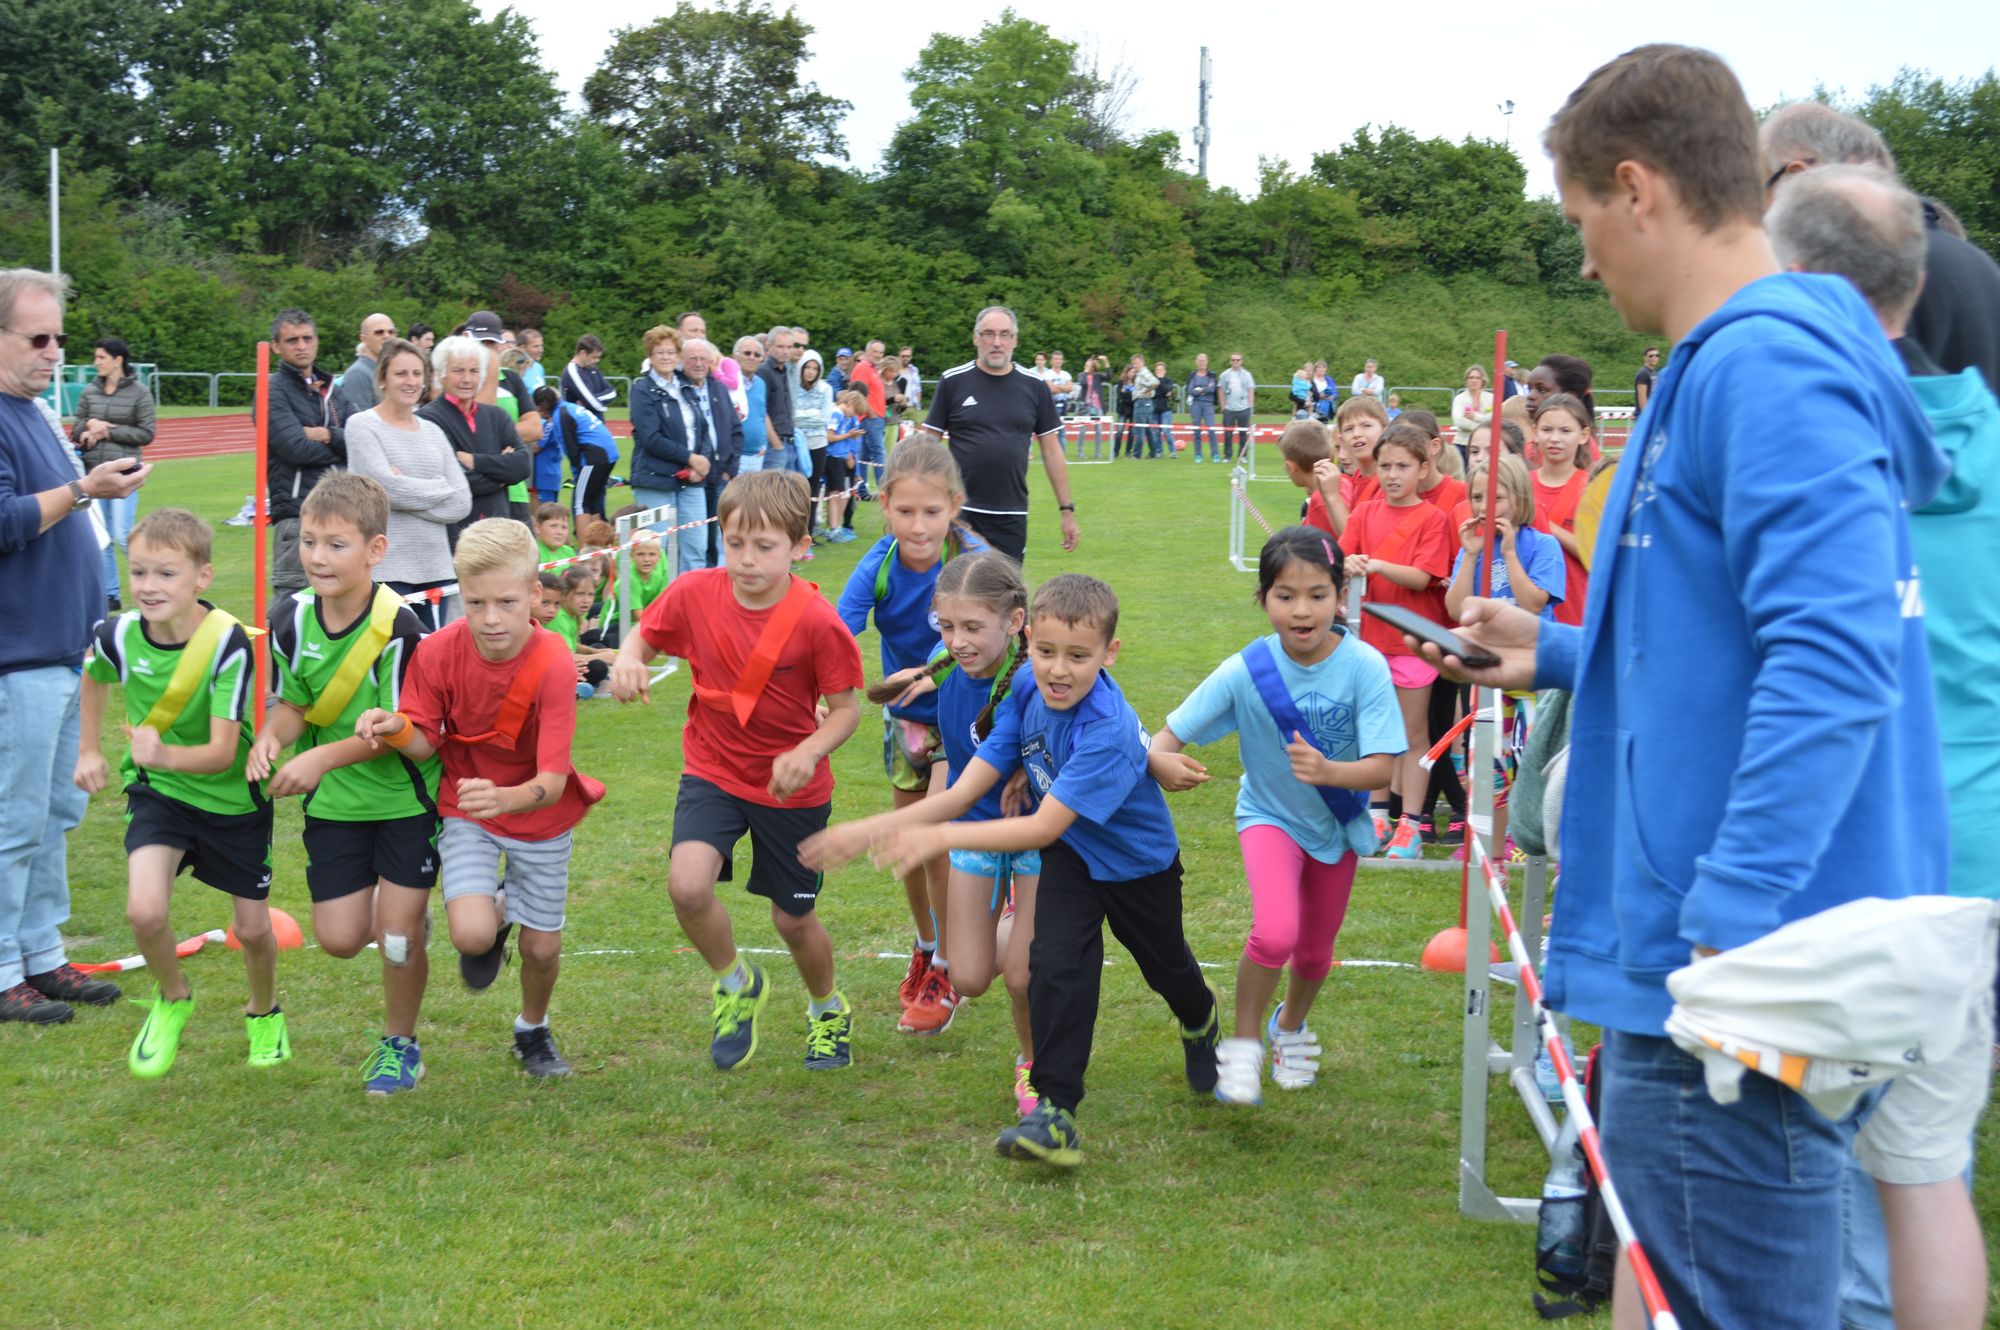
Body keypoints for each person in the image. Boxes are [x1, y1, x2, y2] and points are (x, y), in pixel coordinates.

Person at [1421, 47, 1948, 1330]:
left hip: (1726, 974)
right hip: (1708, 961)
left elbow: (1836, 655)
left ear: (1635, 187)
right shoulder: (1727, 362)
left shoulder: (1766, 365)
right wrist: (1556, 650)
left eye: (1578, 221)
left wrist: (1727, 920)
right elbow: (1724, 639)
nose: (1583, 261)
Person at [1765, 159, 1996, 1330]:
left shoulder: (1820, 448)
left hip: (1855, 851)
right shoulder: (1986, 443)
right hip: (1972, 862)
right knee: (1926, 1175)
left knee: (1831, 1196)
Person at [802, 574, 1221, 1169]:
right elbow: (968, 786)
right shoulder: (1025, 687)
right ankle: (1055, 1110)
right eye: (1047, 652)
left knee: (1166, 967)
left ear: (1109, 654)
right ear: (1030, 644)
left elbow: (1040, 826)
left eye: (1077, 657)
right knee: (1054, 968)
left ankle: (1199, 1017)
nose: (1058, 670)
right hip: (1071, 859)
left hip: (1135, 869)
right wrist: (872, 829)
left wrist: (940, 835)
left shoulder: (1103, 727)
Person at [609, 471, 865, 1073]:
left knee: (792, 920)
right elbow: (645, 635)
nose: (747, 559)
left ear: (800, 546)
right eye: (735, 543)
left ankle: (827, 1008)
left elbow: (847, 711)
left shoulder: (817, 621)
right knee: (687, 886)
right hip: (713, 767)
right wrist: (627, 657)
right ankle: (735, 983)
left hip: (790, 789)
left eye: (765, 546)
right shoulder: (694, 592)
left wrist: (809, 751)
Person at [1150, 527, 1403, 1104]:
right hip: (1269, 817)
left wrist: (1329, 771)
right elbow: (1165, 736)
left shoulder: (1365, 667)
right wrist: (1159, 763)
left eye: (1317, 594)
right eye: (1285, 595)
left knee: (1314, 952)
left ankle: (1288, 1026)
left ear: (1341, 596)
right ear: (1263, 598)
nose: (1302, 610)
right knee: (1275, 933)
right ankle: (1242, 1047)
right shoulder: (1246, 670)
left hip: (1337, 825)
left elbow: (1383, 769)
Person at [356, 518, 605, 1079]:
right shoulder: (438, 652)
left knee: (541, 950)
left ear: (535, 594)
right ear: (460, 595)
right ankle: (498, 912)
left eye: (506, 602)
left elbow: (553, 782)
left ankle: (532, 1030)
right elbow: (423, 742)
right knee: (471, 937)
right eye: (475, 603)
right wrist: (395, 726)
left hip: (540, 817)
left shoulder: (553, 661)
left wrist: (507, 798)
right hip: (467, 809)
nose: (491, 618)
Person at [247, 475, 440, 1094]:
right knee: (338, 939)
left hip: (404, 801)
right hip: (335, 806)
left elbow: (395, 729)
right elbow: (295, 703)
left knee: (396, 940)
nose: (318, 557)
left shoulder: (400, 627)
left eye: (336, 545)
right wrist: (272, 738)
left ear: (375, 550)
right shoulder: (289, 618)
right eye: (309, 542)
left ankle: (399, 1045)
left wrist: (321, 760)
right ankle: (406, 915)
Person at [76, 509, 282, 1076]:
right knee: (144, 912)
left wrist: (161, 752)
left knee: (253, 930)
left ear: (202, 577)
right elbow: (93, 676)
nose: (149, 586)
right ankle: (172, 997)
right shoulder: (117, 633)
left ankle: (264, 1009)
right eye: (138, 572)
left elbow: (220, 751)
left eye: (166, 574)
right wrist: (88, 749)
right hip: (161, 795)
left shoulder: (226, 643)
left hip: (232, 800)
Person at [0, 269, 147, 1024]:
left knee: (54, 814)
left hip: (64, 651)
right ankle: (3, 967)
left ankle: (40, 953)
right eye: (37, 337)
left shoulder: (32, 413)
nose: (55, 351)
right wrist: (86, 489)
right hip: (18, 655)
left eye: (58, 336)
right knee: (13, 817)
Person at [862, 552, 1043, 1112]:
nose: (958, 641)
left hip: (1033, 835)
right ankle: (1013, 918)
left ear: (1014, 621)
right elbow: (941, 686)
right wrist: (915, 677)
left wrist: (880, 828)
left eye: (972, 627)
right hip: (972, 832)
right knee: (969, 976)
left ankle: (1033, 1064)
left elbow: (1099, 720)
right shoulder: (949, 663)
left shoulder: (1033, 678)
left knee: (1022, 977)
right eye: (946, 626)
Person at [834, 440, 984, 1035]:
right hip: (906, 722)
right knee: (909, 846)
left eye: (931, 512)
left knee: (932, 838)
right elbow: (835, 634)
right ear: (885, 507)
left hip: (965, 716)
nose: (918, 526)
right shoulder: (878, 567)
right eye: (905, 512)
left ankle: (947, 967)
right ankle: (925, 943)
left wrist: (931, 670)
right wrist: (823, 689)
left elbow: (1004, 632)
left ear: (955, 507)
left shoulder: (974, 561)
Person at [1761, 100, 2000, 394]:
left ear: (1796, 175)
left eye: (1762, 186)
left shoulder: (1857, 270)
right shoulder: (1978, 263)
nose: (1760, 212)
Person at [1339, 428, 1454, 861]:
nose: (1392, 475)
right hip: (1368, 642)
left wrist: (1376, 564)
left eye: (1402, 466)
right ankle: (1377, 814)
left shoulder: (1432, 518)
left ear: (1423, 468)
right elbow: (1339, 559)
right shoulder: (1364, 512)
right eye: (1385, 465)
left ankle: (1411, 824)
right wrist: (1349, 563)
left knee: (1413, 733)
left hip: (1413, 643)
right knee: (1373, 731)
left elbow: (1423, 577)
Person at [917, 308, 1075, 563]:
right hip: (959, 510)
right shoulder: (953, 381)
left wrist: (1067, 510)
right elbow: (928, 445)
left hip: (1011, 513)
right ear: (975, 338)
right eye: (989, 334)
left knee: (1006, 586)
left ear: (1015, 340)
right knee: (955, 585)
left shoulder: (1034, 386)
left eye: (1005, 334)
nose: (997, 342)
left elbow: (1052, 451)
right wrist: (918, 505)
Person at [342, 338, 471, 630]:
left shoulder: (434, 431)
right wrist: (439, 486)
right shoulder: (362, 425)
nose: (410, 381)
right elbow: (383, 490)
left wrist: (402, 486)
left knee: (431, 653)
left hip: (436, 568)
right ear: (383, 378)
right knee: (388, 653)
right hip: (386, 568)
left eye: (416, 373)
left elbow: (462, 502)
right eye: (401, 373)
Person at [264, 308, 350, 598]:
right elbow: (295, 448)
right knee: (293, 604)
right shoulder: (272, 390)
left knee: (340, 602)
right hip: (299, 514)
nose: (301, 346)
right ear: (276, 346)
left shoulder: (331, 389)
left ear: (316, 341)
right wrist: (342, 446)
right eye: (292, 340)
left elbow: (360, 437)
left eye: (307, 338)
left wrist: (327, 435)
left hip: (343, 511)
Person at [71, 336, 156, 612]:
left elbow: (146, 433)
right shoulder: (89, 392)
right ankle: (111, 594)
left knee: (122, 535)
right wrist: (89, 428)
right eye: (96, 357)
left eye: (101, 358)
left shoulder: (140, 393)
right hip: (94, 474)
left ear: (118, 360)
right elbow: (75, 428)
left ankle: (152, 582)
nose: (96, 362)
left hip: (124, 473)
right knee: (102, 538)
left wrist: (108, 430)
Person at [419, 336, 528, 537]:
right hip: (455, 535)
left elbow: (522, 466)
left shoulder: (497, 416)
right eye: (458, 370)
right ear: (441, 375)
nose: (467, 379)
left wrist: (474, 461)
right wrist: (503, 475)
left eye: (474, 371)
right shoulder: (427, 420)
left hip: (498, 532)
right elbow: (453, 482)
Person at [627, 328, 712, 576]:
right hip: (655, 479)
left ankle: (689, 598)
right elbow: (650, 438)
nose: (665, 357)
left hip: (692, 481)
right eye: (659, 352)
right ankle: (657, 599)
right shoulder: (642, 389)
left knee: (696, 547)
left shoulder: (687, 386)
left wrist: (701, 463)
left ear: (678, 355)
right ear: (650, 356)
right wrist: (690, 458)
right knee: (655, 549)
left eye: (670, 352)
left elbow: (703, 428)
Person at [1446, 454, 1564, 622]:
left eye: (1497, 498)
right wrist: (1470, 556)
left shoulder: (1543, 545)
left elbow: (1532, 606)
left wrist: (1509, 553)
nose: (1484, 507)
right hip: (1483, 637)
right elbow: (1457, 611)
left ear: (1520, 500)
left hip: (1526, 637)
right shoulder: (1471, 549)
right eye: (1477, 498)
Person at [680, 339, 743, 570]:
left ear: (710, 361)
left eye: (703, 359)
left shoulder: (718, 388)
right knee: (696, 539)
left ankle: (717, 577)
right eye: (692, 359)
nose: (698, 364)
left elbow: (736, 430)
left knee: (720, 534)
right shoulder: (679, 389)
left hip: (721, 475)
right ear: (682, 361)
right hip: (692, 476)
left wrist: (730, 470)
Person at [1530, 395, 1593, 627]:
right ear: (1535, 432)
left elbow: (1598, 556)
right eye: (1547, 430)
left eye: (1565, 431)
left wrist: (1546, 525)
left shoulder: (1592, 489)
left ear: (1583, 435)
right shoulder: (1519, 485)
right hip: (1524, 610)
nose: (1554, 438)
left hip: (1575, 610)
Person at [793, 350, 834, 517]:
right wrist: (813, 413)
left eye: (815, 368)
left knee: (813, 487)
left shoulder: (826, 389)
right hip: (797, 443)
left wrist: (801, 415)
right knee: (794, 486)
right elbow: (791, 416)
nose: (811, 371)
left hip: (817, 443)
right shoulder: (792, 387)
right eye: (807, 367)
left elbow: (824, 418)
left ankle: (809, 528)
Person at [847, 342, 890, 498]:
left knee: (864, 457)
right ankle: (884, 491)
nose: (878, 355)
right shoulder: (863, 368)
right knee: (879, 453)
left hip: (874, 418)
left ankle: (861, 491)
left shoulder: (872, 368)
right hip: (869, 418)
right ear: (867, 351)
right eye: (875, 351)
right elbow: (858, 393)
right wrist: (871, 413)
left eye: (881, 352)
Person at [822, 391, 864, 540]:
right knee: (835, 494)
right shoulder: (836, 413)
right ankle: (833, 529)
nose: (854, 416)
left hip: (841, 457)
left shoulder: (844, 416)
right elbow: (829, 436)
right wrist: (849, 435)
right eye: (855, 412)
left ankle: (835, 527)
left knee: (839, 493)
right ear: (850, 404)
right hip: (833, 458)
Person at [338, 313, 397, 416]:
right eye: (379, 332)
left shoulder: (389, 371)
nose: (387, 336)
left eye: (391, 332)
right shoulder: (357, 374)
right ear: (364, 339)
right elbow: (358, 421)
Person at [759, 326, 797, 477]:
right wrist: (776, 444)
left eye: (789, 347)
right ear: (769, 346)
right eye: (780, 346)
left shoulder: (785, 370)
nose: (785, 351)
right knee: (772, 490)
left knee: (788, 490)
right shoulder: (763, 371)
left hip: (788, 442)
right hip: (773, 445)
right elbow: (761, 412)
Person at [561, 335, 618, 421]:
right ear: (583, 353)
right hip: (580, 425)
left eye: (598, 357)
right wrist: (599, 405)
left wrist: (590, 400)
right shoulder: (572, 370)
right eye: (594, 357)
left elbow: (612, 393)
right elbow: (594, 404)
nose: (597, 360)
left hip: (596, 424)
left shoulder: (593, 369)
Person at [1219, 352, 1255, 462]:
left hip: (1243, 409)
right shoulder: (1225, 375)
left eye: (1238, 360)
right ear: (1230, 361)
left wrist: (1249, 406)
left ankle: (1242, 456)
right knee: (1228, 434)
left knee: (1243, 433)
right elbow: (1220, 390)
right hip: (1229, 409)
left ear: (1241, 361)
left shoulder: (1247, 375)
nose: (1235, 362)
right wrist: (1223, 406)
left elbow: (1251, 390)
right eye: (1233, 360)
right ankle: (1227, 456)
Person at [1450, 365, 1492, 458]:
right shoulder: (1459, 398)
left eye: (1477, 378)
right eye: (1471, 377)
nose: (1474, 380)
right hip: (1462, 444)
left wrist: (1475, 417)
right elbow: (1459, 421)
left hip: (1486, 444)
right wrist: (1482, 427)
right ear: (1467, 380)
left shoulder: (1491, 398)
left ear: (1483, 380)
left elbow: (1494, 418)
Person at [1184, 353, 1219, 462]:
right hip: (1196, 405)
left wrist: (1200, 389)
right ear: (1196, 362)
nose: (1201, 363)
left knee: (1211, 429)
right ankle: (1198, 455)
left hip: (1208, 404)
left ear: (1207, 362)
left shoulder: (1211, 375)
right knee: (1196, 431)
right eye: (1200, 361)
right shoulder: (1192, 375)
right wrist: (1204, 389)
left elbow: (1212, 389)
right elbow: (1190, 390)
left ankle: (1215, 455)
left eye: (1203, 361)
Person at [531, 504, 575, 569]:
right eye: (553, 526)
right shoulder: (533, 553)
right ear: (537, 528)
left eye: (564, 527)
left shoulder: (569, 551)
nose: (559, 532)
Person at [1150, 361, 1176, 458]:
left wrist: (1160, 381)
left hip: (1166, 409)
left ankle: (1173, 451)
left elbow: (1167, 390)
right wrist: (1164, 392)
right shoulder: (1151, 380)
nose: (1159, 371)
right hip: (1154, 409)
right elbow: (1153, 394)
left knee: (1166, 430)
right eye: (1157, 370)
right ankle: (1159, 452)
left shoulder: (1169, 380)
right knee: (1155, 432)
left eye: (1161, 369)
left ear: (1165, 371)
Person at [517, 328, 548, 396]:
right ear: (522, 348)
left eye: (541, 346)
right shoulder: (514, 369)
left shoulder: (539, 367)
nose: (541, 350)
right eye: (536, 346)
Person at [1634, 346, 1660, 411]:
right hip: (1644, 413)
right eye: (1651, 356)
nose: (1654, 358)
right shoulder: (1643, 373)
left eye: (1657, 355)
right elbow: (1641, 395)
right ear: (1645, 358)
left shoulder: (1653, 372)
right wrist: (1645, 413)